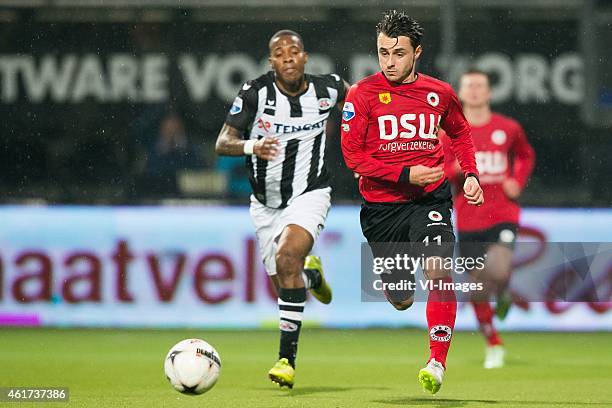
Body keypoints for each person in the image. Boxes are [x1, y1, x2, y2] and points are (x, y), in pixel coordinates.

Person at [340, 10, 483, 395]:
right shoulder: (362, 95)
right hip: (382, 211)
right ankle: (396, 288)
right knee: (402, 298)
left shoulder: (440, 93)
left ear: (416, 52)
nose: (389, 61)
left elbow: (460, 131)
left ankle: (437, 361)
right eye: (383, 52)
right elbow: (353, 158)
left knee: (438, 268)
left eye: (398, 53)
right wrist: (404, 174)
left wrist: (470, 174)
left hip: (429, 201)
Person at [215, 29, 349, 389]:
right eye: (279, 52)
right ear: (271, 62)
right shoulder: (255, 93)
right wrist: (251, 146)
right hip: (265, 206)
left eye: (294, 50)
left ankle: (286, 361)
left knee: (289, 256)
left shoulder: (330, 89)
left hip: (310, 193)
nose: (287, 56)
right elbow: (223, 142)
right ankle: (312, 277)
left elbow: (362, 106)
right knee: (285, 282)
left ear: (306, 57)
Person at [441, 69, 535, 369]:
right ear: (461, 93)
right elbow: (440, 171)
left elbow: (525, 155)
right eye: (470, 86)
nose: (476, 91)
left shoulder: (507, 128)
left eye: (481, 86)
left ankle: (504, 289)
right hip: (468, 218)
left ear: (489, 92)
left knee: (498, 267)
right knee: (477, 286)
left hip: (503, 212)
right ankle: (493, 342)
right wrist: (454, 171)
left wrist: (517, 180)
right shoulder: (450, 133)